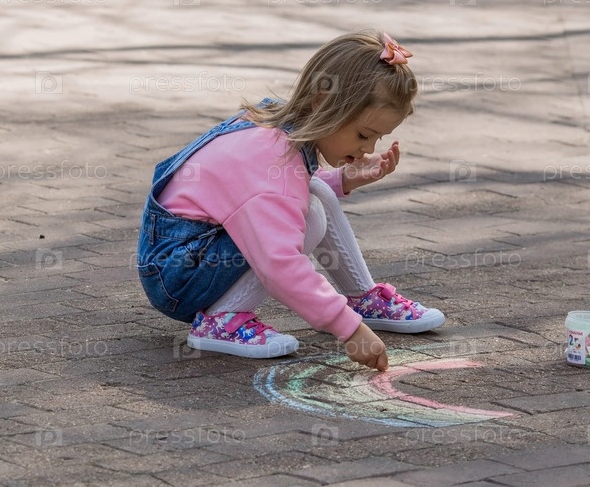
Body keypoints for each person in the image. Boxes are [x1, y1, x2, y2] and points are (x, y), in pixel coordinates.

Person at [136, 30, 445, 372]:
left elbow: (286, 190)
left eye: (378, 138)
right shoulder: (275, 164)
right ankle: (220, 320)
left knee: (317, 194)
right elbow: (280, 263)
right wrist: (348, 329)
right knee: (311, 215)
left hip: (182, 257)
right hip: (179, 278)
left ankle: (362, 298)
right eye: (363, 135)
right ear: (322, 104)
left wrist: (344, 179)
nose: (368, 148)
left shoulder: (277, 128)